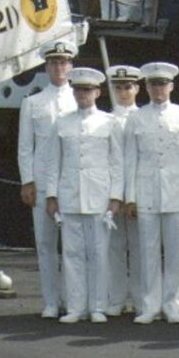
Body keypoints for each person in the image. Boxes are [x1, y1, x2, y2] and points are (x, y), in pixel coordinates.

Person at [44, 68, 124, 323]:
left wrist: (115, 197)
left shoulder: (109, 122)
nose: (82, 95)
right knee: (72, 254)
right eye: (78, 90)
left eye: (87, 90)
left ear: (97, 92)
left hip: (98, 196)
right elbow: (53, 162)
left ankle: (98, 306)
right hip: (70, 194)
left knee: (99, 254)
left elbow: (117, 164)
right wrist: (52, 195)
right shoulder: (62, 122)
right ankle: (76, 307)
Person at [124, 62, 179, 324]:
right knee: (148, 251)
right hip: (146, 193)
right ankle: (150, 305)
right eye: (153, 84)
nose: (158, 89)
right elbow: (129, 160)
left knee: (175, 253)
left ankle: (171, 305)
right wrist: (129, 197)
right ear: (146, 87)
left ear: (171, 86)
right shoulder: (136, 118)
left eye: (163, 84)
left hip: (176, 193)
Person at [18, 39, 78, 318]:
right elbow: (24, 147)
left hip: (72, 180)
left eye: (63, 62)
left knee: (72, 244)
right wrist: (27, 181)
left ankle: (73, 299)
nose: (59, 67)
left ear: (71, 65)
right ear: (47, 66)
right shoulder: (32, 103)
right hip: (42, 180)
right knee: (45, 243)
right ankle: (51, 301)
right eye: (54, 62)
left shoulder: (80, 100)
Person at [105, 65, 142, 315]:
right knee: (115, 249)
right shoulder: (106, 119)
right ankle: (117, 299)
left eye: (127, 87)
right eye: (118, 87)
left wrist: (134, 196)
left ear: (137, 88)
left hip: (140, 192)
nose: (123, 92)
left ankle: (140, 300)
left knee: (140, 249)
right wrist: (114, 195)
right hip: (112, 192)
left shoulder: (144, 118)